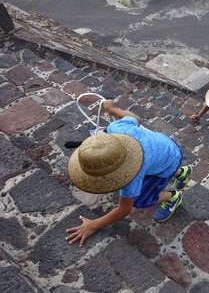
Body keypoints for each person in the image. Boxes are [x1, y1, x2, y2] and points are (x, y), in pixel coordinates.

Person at [65, 101, 191, 246]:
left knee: (140, 200)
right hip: (165, 146)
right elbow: (134, 118)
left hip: (168, 162)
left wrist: (94, 225)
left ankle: (174, 196)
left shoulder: (132, 177)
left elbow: (124, 209)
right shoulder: (116, 128)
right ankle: (182, 172)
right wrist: (113, 110)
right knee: (156, 165)